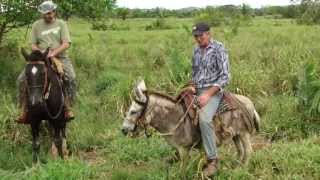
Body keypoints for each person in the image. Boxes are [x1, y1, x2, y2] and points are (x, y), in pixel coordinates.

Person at [16, 1, 76, 124]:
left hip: (60, 57)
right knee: (21, 80)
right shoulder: (36, 25)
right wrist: (41, 53)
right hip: (40, 58)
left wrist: (53, 53)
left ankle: (68, 108)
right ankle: (24, 110)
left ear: (54, 12)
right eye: (45, 14)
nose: (47, 15)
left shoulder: (61, 24)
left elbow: (66, 43)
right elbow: (32, 44)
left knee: (71, 77)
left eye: (49, 13)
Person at [191, 22, 230, 177]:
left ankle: (213, 160)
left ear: (208, 33)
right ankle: (180, 149)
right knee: (177, 111)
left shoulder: (219, 48)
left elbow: (225, 76)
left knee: (205, 119)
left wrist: (207, 94)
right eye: (195, 36)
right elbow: (194, 72)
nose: (198, 39)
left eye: (201, 35)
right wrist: (191, 86)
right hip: (197, 89)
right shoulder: (195, 51)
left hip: (213, 91)